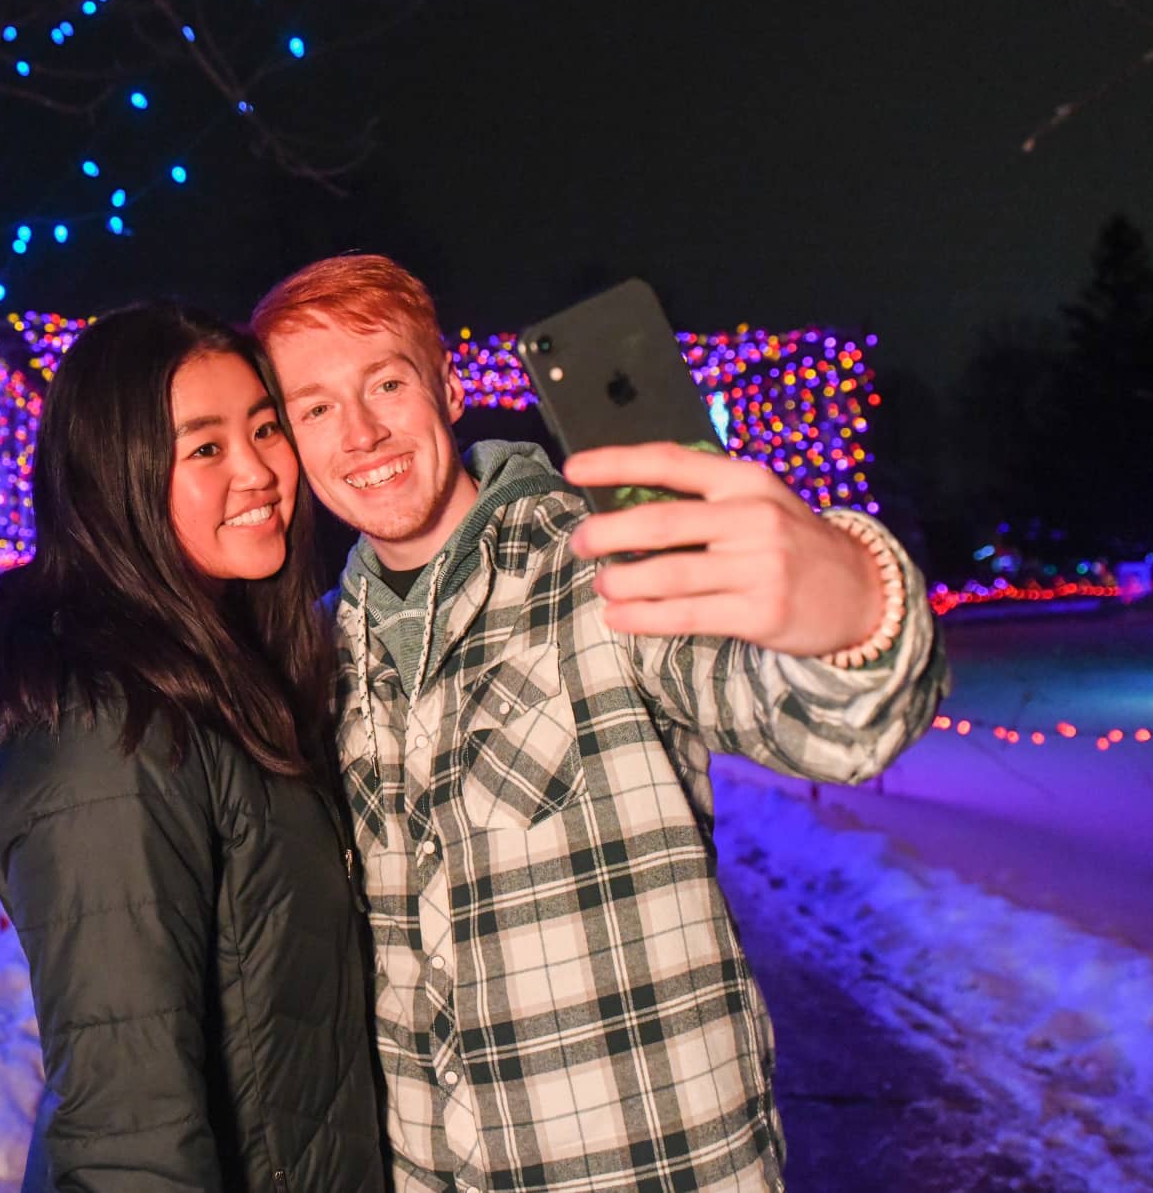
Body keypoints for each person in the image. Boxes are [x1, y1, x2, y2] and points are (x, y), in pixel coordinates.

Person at [251, 255, 950, 1193]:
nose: (363, 431)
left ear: (448, 386)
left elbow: (819, 721)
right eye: (318, 407)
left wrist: (855, 607)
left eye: (385, 381)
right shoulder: (321, 650)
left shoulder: (600, 561)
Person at [0, 302, 386, 1192]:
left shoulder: (225, 676)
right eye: (206, 447)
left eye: (266, 429)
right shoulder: (108, 735)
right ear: (117, 479)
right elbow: (126, 1135)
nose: (261, 471)